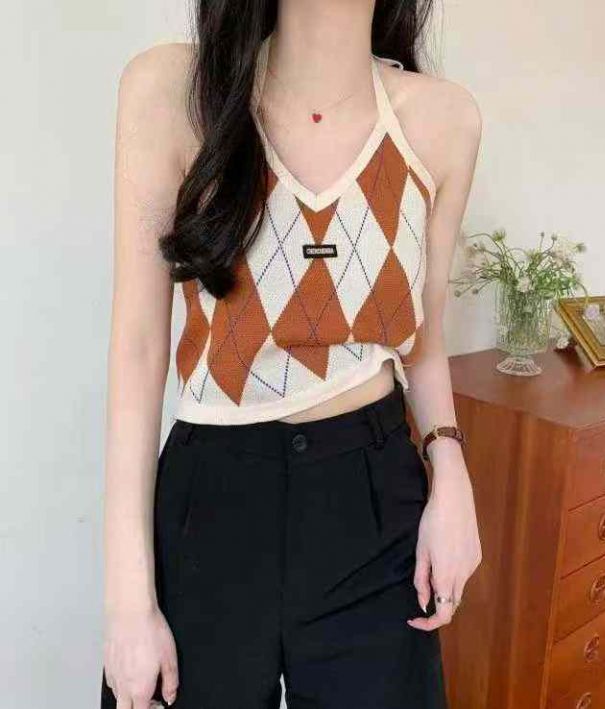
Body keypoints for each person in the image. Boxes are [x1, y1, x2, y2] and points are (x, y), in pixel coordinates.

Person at [101, 1, 483, 707]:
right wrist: (127, 601)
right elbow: (137, 348)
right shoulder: (175, 90)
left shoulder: (443, 120)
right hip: (213, 496)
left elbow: (422, 334)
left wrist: (450, 469)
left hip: (372, 494)